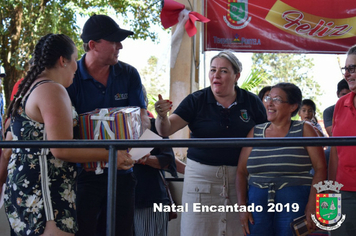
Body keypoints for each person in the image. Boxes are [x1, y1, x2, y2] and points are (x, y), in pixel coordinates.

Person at [2, 33, 134, 236]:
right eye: (75, 59)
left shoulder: (26, 90)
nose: (76, 67)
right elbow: (61, 148)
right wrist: (111, 154)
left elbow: (8, 149)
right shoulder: (51, 89)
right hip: (45, 196)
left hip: (23, 192)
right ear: (63, 61)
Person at [155, 50, 267, 236]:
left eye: (223, 71)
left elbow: (266, 135)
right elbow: (165, 130)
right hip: (201, 179)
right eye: (213, 70)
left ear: (236, 76)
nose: (216, 75)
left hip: (240, 181)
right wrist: (161, 116)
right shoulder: (196, 100)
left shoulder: (251, 101)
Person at [66, 14, 149, 236]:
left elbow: (142, 116)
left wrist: (141, 148)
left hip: (123, 175)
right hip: (82, 176)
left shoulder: (129, 73)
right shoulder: (70, 77)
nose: (120, 46)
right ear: (92, 45)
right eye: (113, 41)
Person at [236, 82, 327, 236]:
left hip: (295, 200)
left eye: (276, 99)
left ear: (293, 107)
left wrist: (313, 204)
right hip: (258, 202)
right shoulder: (255, 131)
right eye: (268, 98)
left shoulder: (304, 130)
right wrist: (242, 207)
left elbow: (320, 168)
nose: (269, 103)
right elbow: (240, 172)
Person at [133, 86, 178, 236]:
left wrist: (144, 159)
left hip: (149, 198)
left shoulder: (154, 125)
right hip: (119, 199)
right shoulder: (111, 126)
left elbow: (167, 159)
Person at [329, 45, 356, 235]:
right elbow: (335, 153)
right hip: (343, 192)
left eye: (353, 68)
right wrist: (329, 192)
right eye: (346, 69)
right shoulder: (340, 104)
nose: (347, 74)